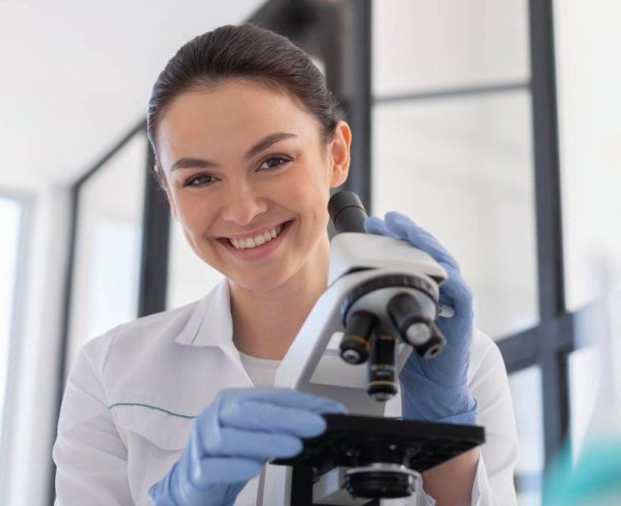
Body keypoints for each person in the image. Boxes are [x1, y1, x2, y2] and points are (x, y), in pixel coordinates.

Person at [53, 23, 519, 506]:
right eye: (200, 179)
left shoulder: (458, 369)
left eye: (273, 161)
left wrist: (446, 440)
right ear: (168, 191)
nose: (243, 210)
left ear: (335, 155)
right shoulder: (112, 373)